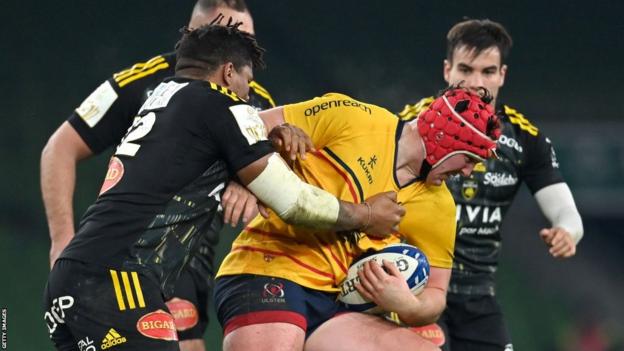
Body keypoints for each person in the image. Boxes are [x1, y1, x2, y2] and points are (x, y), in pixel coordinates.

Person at [42, 22, 405, 351]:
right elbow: (294, 202)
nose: (248, 97)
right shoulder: (223, 105)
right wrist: (367, 214)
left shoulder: (161, 99)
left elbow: (196, 158)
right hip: (120, 279)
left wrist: (269, 137)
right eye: (247, 85)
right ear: (228, 72)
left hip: (71, 278)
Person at [40, 1, 274, 350]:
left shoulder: (256, 99)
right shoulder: (146, 79)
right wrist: (61, 238)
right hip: (133, 250)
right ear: (196, 35)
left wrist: (248, 185)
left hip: (193, 255)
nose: (240, 48)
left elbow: (276, 169)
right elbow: (60, 148)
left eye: (247, 38)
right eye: (229, 33)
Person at [213, 86, 502, 351]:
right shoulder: (353, 118)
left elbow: (437, 292)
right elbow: (245, 127)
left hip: (335, 304)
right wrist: (244, 175)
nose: (468, 172)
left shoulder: (439, 206)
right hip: (267, 268)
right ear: (444, 140)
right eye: (469, 159)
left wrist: (408, 305)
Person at [397, 19, 584, 350]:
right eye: (465, 69)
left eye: (487, 71)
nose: (475, 83)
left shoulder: (526, 139)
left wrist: (566, 232)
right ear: (447, 70)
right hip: (414, 288)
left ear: (502, 75)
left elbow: (567, 215)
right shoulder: (410, 124)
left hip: (477, 297)